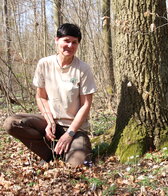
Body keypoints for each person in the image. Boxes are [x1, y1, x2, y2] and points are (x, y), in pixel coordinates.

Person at [3, 23, 97, 166]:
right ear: (57, 40)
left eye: (74, 42)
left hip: (75, 127)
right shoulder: (44, 64)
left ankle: (65, 151)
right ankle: (50, 155)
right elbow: (40, 96)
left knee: (78, 165)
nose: (70, 46)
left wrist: (69, 134)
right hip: (49, 121)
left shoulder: (83, 69)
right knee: (11, 123)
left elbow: (86, 104)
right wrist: (49, 121)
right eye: (66, 41)